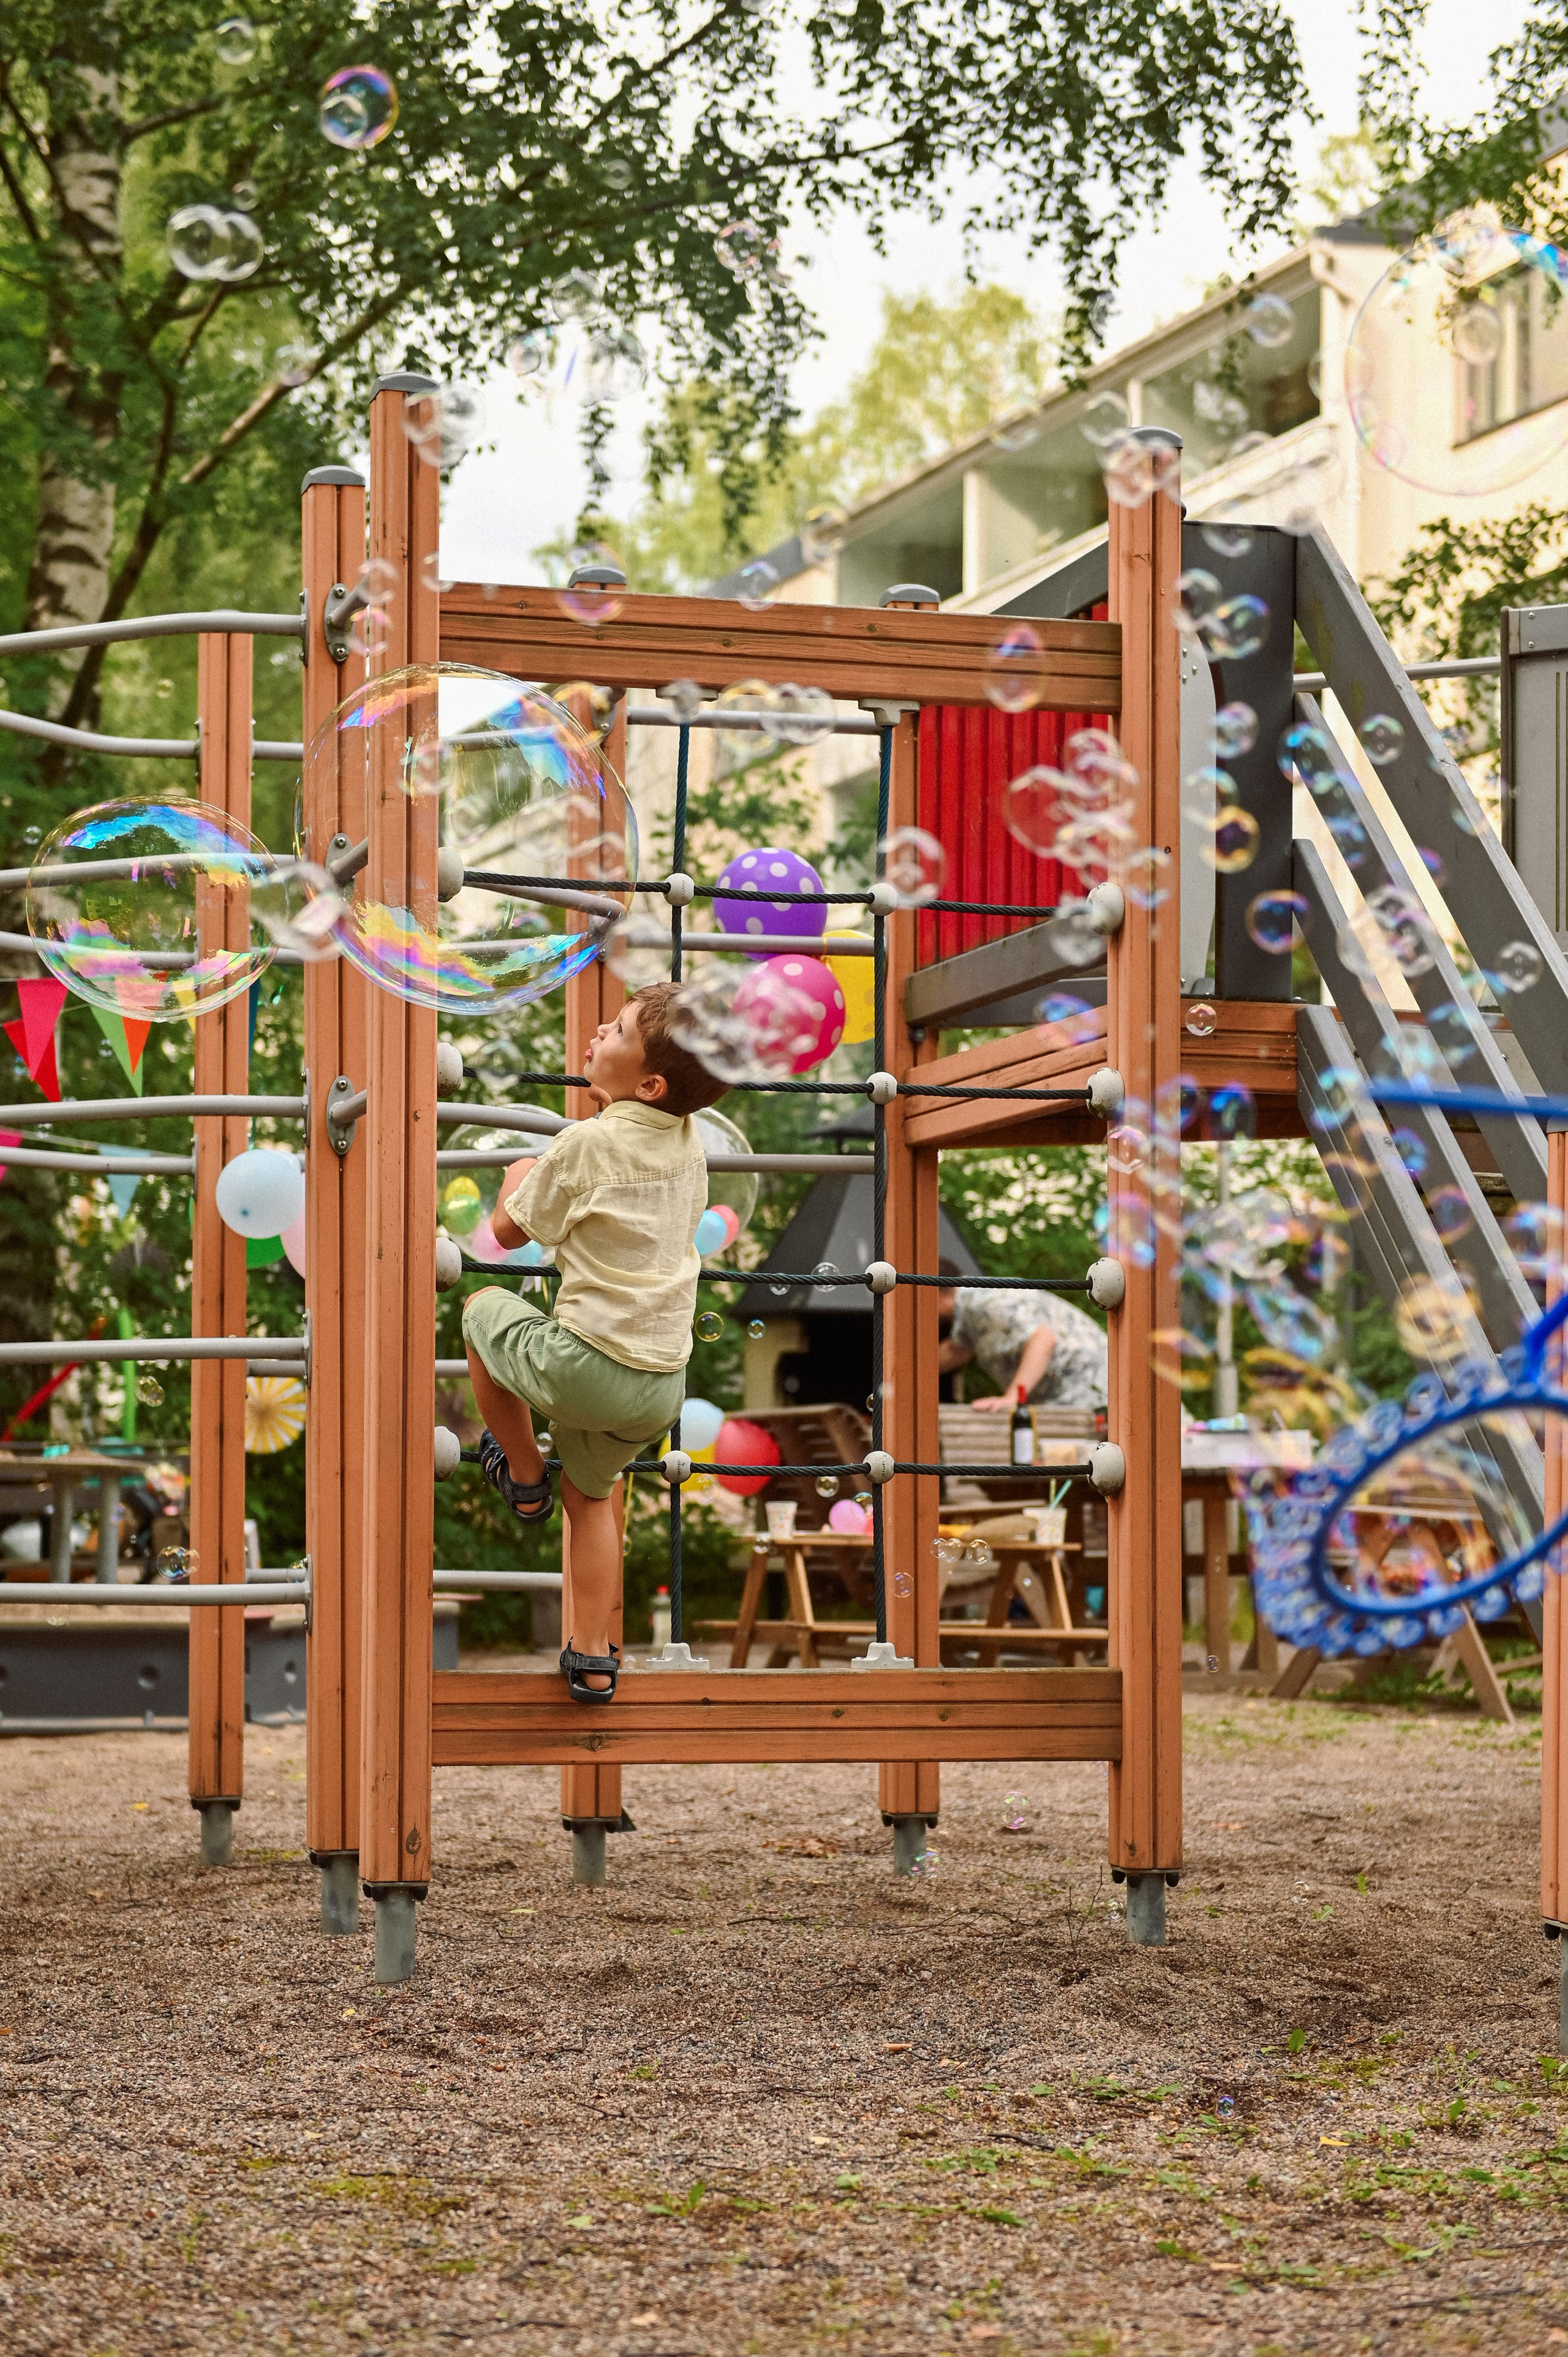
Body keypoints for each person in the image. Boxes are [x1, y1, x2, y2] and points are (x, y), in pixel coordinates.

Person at [461, 982, 730, 1702]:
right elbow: (631, 1152)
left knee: (481, 1310)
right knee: (592, 1500)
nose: (594, 1032)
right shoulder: (689, 1136)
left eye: (612, 1031)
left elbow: (511, 1231)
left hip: (586, 1364)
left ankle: (521, 1476)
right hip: (658, 1384)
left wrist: (518, 1177)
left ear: (648, 1081)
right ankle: (592, 1656)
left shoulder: (583, 1142)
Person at [936, 1258, 1107, 1411]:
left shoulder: (982, 1303)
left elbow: (1042, 1340)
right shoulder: (970, 1312)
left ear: (936, 1292)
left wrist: (1012, 1399)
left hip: (1091, 1395)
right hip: (1079, 1397)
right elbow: (955, 1350)